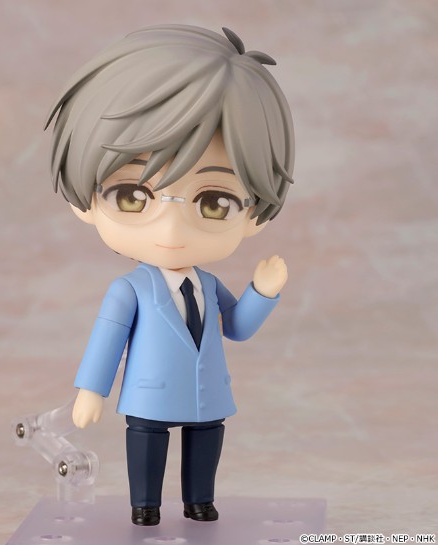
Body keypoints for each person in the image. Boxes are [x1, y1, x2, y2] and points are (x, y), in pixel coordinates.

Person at [44, 24, 295, 526]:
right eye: (132, 196)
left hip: (207, 395)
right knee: (147, 445)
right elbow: (107, 340)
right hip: (150, 394)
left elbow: (236, 327)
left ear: (254, 213)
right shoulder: (128, 290)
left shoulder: (209, 285)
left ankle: (199, 500)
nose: (171, 229)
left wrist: (262, 292)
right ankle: (146, 505)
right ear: (86, 199)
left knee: (206, 442)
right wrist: (91, 391)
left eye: (214, 202)